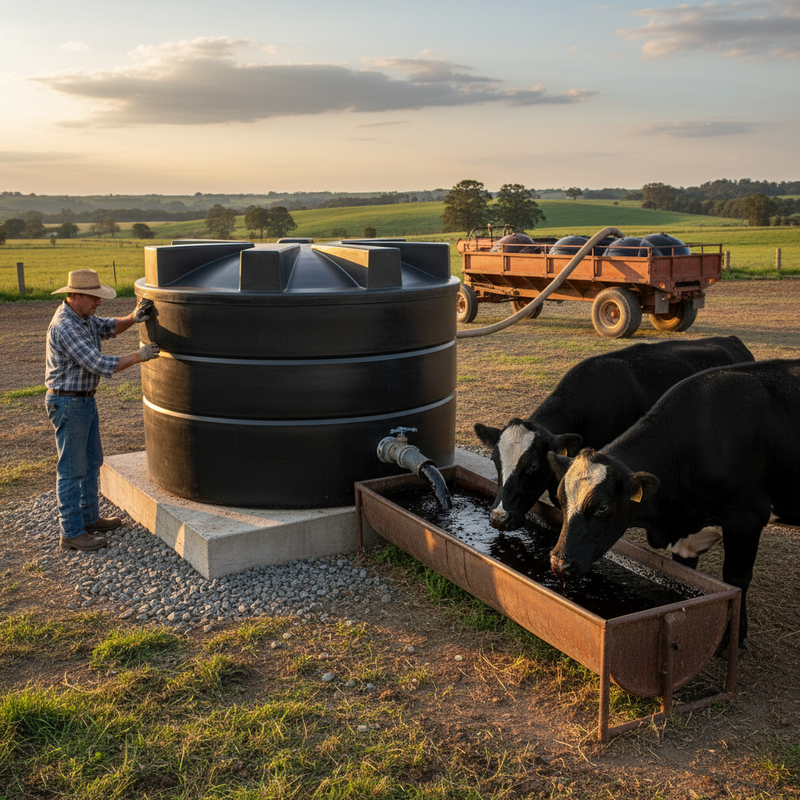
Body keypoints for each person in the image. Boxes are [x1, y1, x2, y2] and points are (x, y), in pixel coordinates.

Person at [45, 269, 160, 552]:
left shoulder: (82, 317)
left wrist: (133, 318)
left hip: (82, 401)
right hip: (69, 403)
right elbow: (97, 363)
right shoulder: (66, 326)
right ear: (75, 296)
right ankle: (71, 533)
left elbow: (107, 327)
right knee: (72, 470)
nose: (99, 302)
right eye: (93, 297)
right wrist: (139, 356)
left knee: (92, 461)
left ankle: (88, 518)